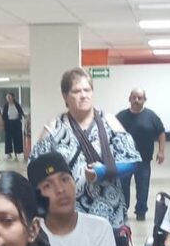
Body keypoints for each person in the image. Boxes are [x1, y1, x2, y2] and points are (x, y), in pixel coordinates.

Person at [30, 67, 140, 229]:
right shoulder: (54, 128)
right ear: (65, 96)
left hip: (109, 212)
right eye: (76, 91)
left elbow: (132, 161)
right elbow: (35, 169)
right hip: (67, 213)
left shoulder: (110, 122)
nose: (83, 95)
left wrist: (102, 171)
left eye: (87, 90)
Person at [115, 88, 165, 221]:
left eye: (140, 98)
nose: (136, 100)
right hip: (124, 159)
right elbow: (110, 133)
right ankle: (123, 211)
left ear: (144, 100)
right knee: (123, 187)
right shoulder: (120, 116)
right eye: (134, 97)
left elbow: (161, 133)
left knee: (143, 188)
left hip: (144, 159)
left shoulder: (151, 116)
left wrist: (161, 151)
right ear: (129, 99)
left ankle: (141, 212)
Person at [1, 92, 25, 161]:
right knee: (8, 139)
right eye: (7, 97)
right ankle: (8, 154)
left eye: (9, 97)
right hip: (8, 124)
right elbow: (3, 116)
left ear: (13, 98)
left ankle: (17, 154)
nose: (8, 99)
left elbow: (21, 112)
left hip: (16, 123)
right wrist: (2, 124)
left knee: (16, 139)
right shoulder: (6, 106)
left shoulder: (17, 105)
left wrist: (25, 117)